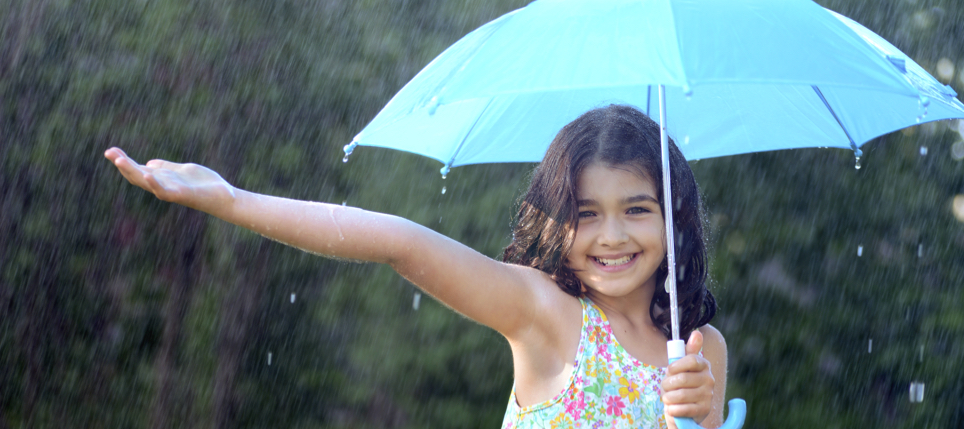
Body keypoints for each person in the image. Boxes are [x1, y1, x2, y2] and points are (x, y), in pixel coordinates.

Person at [105, 104, 726, 429]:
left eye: (637, 209)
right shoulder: (546, 312)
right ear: (555, 220)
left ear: (675, 219)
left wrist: (697, 421)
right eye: (586, 214)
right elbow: (399, 242)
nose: (612, 236)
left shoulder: (702, 349)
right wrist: (233, 200)